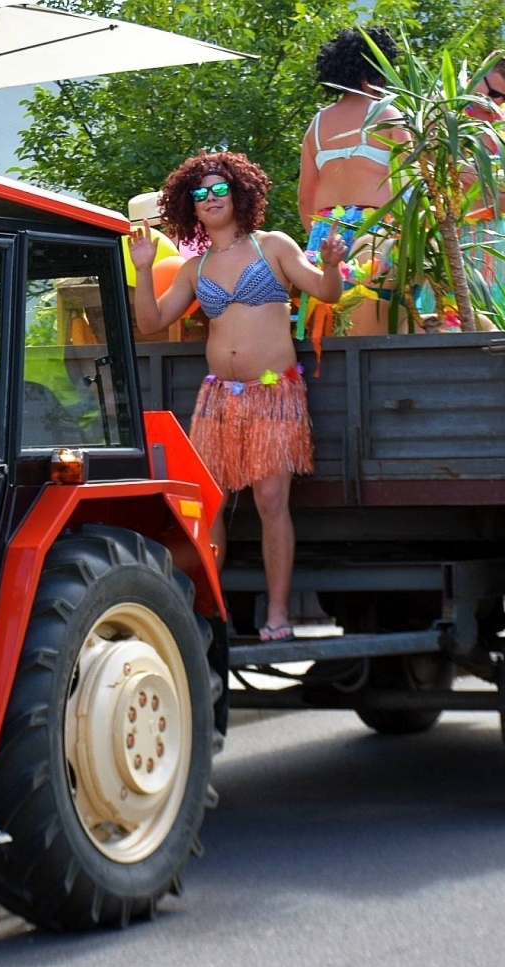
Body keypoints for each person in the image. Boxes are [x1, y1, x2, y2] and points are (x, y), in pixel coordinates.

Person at [131, 151, 345, 643]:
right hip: (218, 401)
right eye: (199, 193)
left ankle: (277, 615)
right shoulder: (194, 268)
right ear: (189, 206)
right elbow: (151, 322)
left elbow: (326, 291)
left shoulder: (273, 246)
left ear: (239, 194)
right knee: (207, 504)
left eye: (219, 189)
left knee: (271, 501)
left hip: (273, 395)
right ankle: (206, 614)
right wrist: (143, 269)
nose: (210, 198)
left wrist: (332, 266)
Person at [297, 25, 408, 336]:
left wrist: (322, 241)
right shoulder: (388, 115)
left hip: (326, 232)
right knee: (378, 330)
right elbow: (410, 186)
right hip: (377, 235)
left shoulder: (316, 124)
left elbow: (305, 199)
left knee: (329, 333)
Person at [462, 50, 505, 320]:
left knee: (493, 322)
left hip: (490, 238)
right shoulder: (445, 112)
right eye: (493, 93)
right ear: (478, 75)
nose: (498, 102)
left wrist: (491, 194)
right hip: (446, 234)